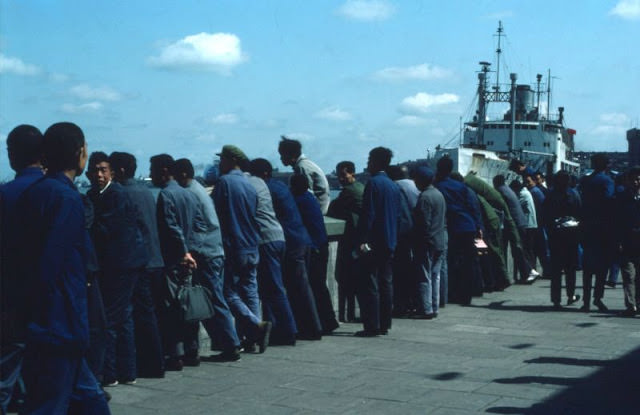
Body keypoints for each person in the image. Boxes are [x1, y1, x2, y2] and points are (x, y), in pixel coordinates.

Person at [15, 122, 110, 414]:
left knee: (91, 401)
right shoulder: (68, 199)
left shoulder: (35, 192)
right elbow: (53, 265)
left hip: (40, 321)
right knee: (51, 404)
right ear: (80, 153)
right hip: (60, 323)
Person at [86, 152, 148, 387]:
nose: (98, 175)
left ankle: (108, 373)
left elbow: (105, 230)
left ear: (112, 172)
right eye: (95, 170)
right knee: (123, 317)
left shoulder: (116, 195)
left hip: (120, 264)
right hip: (124, 262)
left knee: (110, 318)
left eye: (103, 170)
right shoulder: (96, 194)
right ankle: (127, 371)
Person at [172, 158, 244, 359]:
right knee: (215, 298)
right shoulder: (199, 189)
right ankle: (229, 343)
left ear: (183, 175)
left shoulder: (191, 193)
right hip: (215, 251)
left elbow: (200, 228)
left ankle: (231, 344)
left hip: (208, 254)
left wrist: (190, 251)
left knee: (215, 299)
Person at [249, 158, 323, 340]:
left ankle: (296, 330)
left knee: (284, 287)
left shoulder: (267, 189)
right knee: (300, 288)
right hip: (299, 239)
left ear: (263, 175)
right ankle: (310, 328)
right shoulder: (279, 186)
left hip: (289, 242)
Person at [109, 152, 165, 378]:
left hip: (139, 262)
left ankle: (141, 365)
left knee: (133, 316)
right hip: (156, 259)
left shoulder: (123, 194)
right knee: (150, 315)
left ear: (120, 171)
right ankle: (155, 363)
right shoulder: (146, 192)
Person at [0, 125, 44, 413]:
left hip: (10, 289)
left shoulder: (5, 194)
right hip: (49, 291)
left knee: (8, 358)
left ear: (12, 156)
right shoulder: (57, 192)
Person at [213, 146, 272, 357]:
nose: (219, 164)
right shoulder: (249, 185)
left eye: (222, 160)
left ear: (230, 160)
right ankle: (252, 341)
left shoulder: (224, 183)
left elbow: (216, 216)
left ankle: (257, 326)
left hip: (233, 246)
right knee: (250, 291)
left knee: (227, 292)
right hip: (252, 245)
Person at [150, 153, 200, 370]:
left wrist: (182, 252)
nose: (150, 175)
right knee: (188, 305)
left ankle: (176, 353)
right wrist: (191, 253)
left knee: (171, 307)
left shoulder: (165, 195)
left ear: (163, 172)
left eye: (152, 170)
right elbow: (197, 225)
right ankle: (192, 349)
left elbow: (171, 228)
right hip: (190, 257)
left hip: (173, 259)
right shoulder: (188, 194)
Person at [241, 160, 297, 345]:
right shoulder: (263, 184)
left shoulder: (247, 183)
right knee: (271, 288)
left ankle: (289, 332)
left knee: (274, 288)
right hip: (278, 237)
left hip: (265, 240)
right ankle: (276, 330)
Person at [355, 147, 401, 337]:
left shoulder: (373, 184)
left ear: (375, 161)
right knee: (386, 283)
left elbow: (368, 215)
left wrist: (362, 240)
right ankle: (385, 323)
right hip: (390, 240)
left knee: (370, 283)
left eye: (369, 159)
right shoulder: (393, 185)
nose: (367, 164)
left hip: (374, 242)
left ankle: (372, 325)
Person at [290, 174, 340, 334]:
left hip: (314, 247)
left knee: (313, 286)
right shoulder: (310, 199)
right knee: (320, 286)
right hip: (321, 244)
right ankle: (329, 321)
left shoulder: (298, 200)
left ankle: (319, 323)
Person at [434, 157, 483, 306]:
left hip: (452, 227)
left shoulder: (437, 186)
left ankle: (452, 293)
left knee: (452, 262)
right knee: (468, 263)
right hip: (468, 226)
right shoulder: (461, 187)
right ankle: (466, 296)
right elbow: (472, 207)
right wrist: (478, 226)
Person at [327, 161, 364, 323]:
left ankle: (345, 315)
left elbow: (332, 209)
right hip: (361, 239)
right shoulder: (362, 188)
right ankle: (354, 314)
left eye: (343, 175)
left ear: (352, 174)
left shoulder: (348, 192)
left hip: (351, 240)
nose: (340, 178)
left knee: (345, 279)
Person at [579, 153, 615, 312]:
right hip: (604, 229)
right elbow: (609, 201)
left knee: (587, 267)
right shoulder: (607, 181)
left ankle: (585, 301)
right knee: (602, 267)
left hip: (587, 227)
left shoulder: (585, 180)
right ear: (606, 165)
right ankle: (597, 298)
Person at [543, 170, 582, 309]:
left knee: (556, 270)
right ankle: (570, 296)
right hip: (571, 235)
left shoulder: (550, 195)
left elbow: (545, 216)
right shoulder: (574, 194)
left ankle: (556, 299)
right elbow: (580, 213)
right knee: (571, 269)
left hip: (556, 236)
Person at [412, 166, 446, 319]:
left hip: (427, 242)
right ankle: (435, 306)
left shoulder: (425, 197)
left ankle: (426, 309)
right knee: (435, 276)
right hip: (440, 240)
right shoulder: (439, 194)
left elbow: (423, 223)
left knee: (424, 276)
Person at [386, 164, 418, 317]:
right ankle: (411, 303)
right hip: (416, 234)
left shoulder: (395, 188)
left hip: (401, 236)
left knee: (399, 274)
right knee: (411, 272)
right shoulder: (416, 186)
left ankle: (401, 305)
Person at [493, 174, 537, 283]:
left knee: (510, 250)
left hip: (513, 224)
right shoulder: (508, 189)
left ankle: (524, 272)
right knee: (517, 249)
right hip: (520, 222)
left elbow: (498, 208)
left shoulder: (500, 191)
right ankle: (525, 273)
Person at [278, 136, 330, 214]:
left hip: (318, 210)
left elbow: (307, 194)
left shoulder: (302, 167)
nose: (281, 158)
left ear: (291, 156)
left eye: (282, 155)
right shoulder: (303, 164)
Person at [614, 167, 640, 316]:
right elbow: (617, 221)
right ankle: (631, 305)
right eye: (634, 179)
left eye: (639, 179)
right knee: (628, 275)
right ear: (628, 181)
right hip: (627, 241)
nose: (636, 182)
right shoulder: (622, 198)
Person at [509, 179, 538, 272]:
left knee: (527, 249)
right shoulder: (526, 192)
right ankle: (533, 269)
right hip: (531, 224)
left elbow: (516, 205)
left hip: (528, 225)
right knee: (530, 249)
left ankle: (531, 270)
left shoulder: (523, 194)